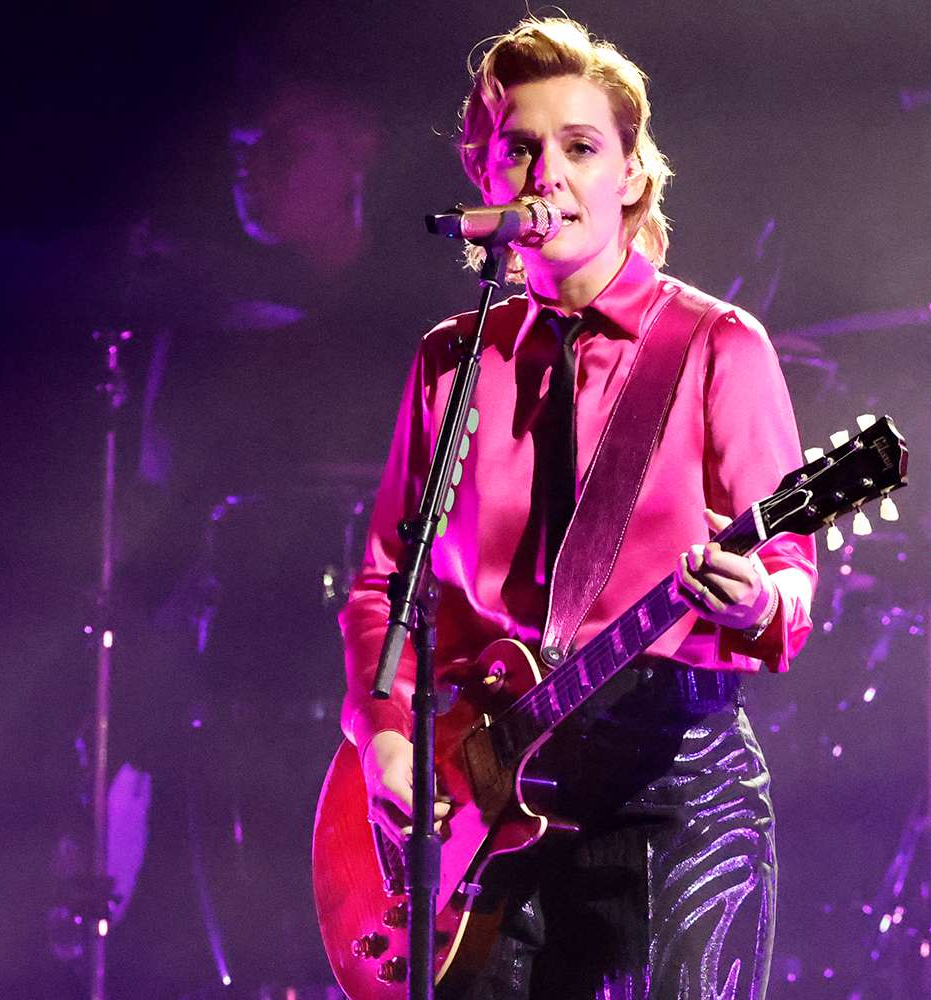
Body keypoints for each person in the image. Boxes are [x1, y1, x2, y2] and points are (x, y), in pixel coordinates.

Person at [338, 17, 818, 999]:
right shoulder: (450, 360)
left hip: (670, 788)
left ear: (633, 175)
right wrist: (389, 742)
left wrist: (754, 603)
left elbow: (792, 580)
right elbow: (385, 587)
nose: (544, 172)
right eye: (519, 147)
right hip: (486, 787)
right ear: (484, 172)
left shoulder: (716, 349)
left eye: (580, 146)